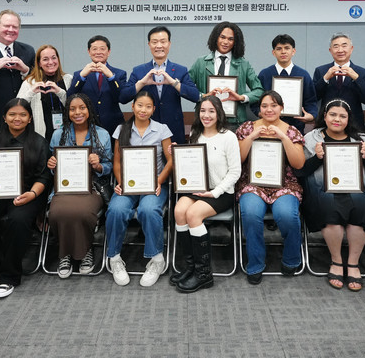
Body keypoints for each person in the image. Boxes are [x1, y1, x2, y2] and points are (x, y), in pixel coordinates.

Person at [0, 98, 51, 299]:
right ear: (4, 117)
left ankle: (9, 276)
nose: (17, 118)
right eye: (12, 114)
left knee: (17, 220)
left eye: (23, 114)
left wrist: (32, 194)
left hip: (29, 193)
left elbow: (44, 177)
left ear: (30, 118)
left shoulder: (39, 142)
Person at [298, 99, 365, 292]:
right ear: (325, 116)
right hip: (322, 189)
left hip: (356, 189)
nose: (337, 119)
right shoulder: (311, 138)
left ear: (348, 119)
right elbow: (300, 171)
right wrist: (316, 158)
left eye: (342, 116)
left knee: (360, 203)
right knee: (329, 203)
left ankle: (353, 263)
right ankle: (336, 260)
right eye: (333, 115)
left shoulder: (361, 139)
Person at [171, 95, 241, 293]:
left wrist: (215, 192)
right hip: (198, 188)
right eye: (203, 111)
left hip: (221, 192)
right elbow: (193, 163)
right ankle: (190, 267)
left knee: (193, 214)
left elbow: (235, 172)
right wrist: (177, 153)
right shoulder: (196, 133)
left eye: (211, 111)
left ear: (219, 113)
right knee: (179, 211)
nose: (206, 115)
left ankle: (204, 274)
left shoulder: (228, 137)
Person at [237, 90, 305, 285]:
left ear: (281, 108)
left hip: (285, 184)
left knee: (287, 215)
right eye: (264, 106)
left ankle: (291, 259)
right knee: (250, 213)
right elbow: (238, 159)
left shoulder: (291, 131)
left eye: (274, 105)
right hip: (252, 183)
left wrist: (283, 138)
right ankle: (256, 263)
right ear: (259, 109)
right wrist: (252, 137)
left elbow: (299, 164)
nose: (269, 109)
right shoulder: (247, 128)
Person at [107, 90, 173, 287]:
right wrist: (121, 183)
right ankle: (114, 258)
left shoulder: (162, 129)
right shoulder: (122, 129)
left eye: (148, 106)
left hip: (154, 184)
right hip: (129, 185)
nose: (143, 110)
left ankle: (157, 259)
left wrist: (159, 181)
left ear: (153, 109)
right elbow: (117, 162)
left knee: (148, 209)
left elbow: (171, 161)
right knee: (116, 209)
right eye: (140, 105)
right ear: (133, 106)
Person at [46, 93, 112, 278]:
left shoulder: (102, 134)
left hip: (92, 187)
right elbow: (53, 169)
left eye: (82, 108)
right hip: (64, 188)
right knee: (57, 212)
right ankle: (65, 254)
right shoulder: (58, 134)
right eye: (72, 109)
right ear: (67, 112)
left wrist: (98, 166)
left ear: (89, 110)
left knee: (82, 212)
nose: (77, 112)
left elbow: (109, 166)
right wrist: (52, 165)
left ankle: (85, 251)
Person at [120, 26, 200, 144]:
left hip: (173, 127)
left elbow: (195, 96)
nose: (159, 46)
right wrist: (142, 83)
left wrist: (174, 83)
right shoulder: (139, 71)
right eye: (154, 42)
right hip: (146, 130)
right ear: (149, 45)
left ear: (169, 44)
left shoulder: (180, 70)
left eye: (163, 41)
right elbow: (123, 98)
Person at [188, 22, 264, 130]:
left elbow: (259, 90)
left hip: (234, 123)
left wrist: (241, 97)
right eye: (222, 37)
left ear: (235, 42)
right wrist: (203, 96)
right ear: (215, 38)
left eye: (230, 39)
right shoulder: (201, 62)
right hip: (205, 122)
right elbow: (187, 88)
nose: (225, 42)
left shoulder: (243, 64)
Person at [254, 34, 318, 134]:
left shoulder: (303, 74)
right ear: (273, 52)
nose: (283, 52)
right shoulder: (264, 74)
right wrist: (260, 112)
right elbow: (256, 99)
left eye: (287, 48)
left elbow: (311, 101)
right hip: (268, 128)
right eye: (279, 49)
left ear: (293, 51)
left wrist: (311, 115)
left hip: (296, 128)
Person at [312, 33, 365, 130]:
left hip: (354, 125)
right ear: (330, 50)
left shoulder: (363, 73)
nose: (340, 50)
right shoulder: (321, 71)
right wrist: (325, 78)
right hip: (327, 125)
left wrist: (357, 78)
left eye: (344, 46)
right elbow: (313, 97)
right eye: (336, 46)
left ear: (351, 49)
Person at [71, 35, 128, 135]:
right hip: (87, 126)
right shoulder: (79, 74)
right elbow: (70, 97)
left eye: (102, 49)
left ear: (108, 52)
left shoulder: (119, 74)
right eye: (94, 49)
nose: (98, 52)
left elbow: (122, 98)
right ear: (89, 52)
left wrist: (111, 77)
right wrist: (82, 77)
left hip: (113, 126)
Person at [16, 44, 72, 140]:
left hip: (67, 133)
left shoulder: (68, 79)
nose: (51, 62)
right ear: (39, 63)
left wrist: (60, 92)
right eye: (45, 59)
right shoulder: (30, 82)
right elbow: (17, 107)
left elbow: (73, 106)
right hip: (41, 135)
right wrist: (31, 92)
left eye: (54, 58)